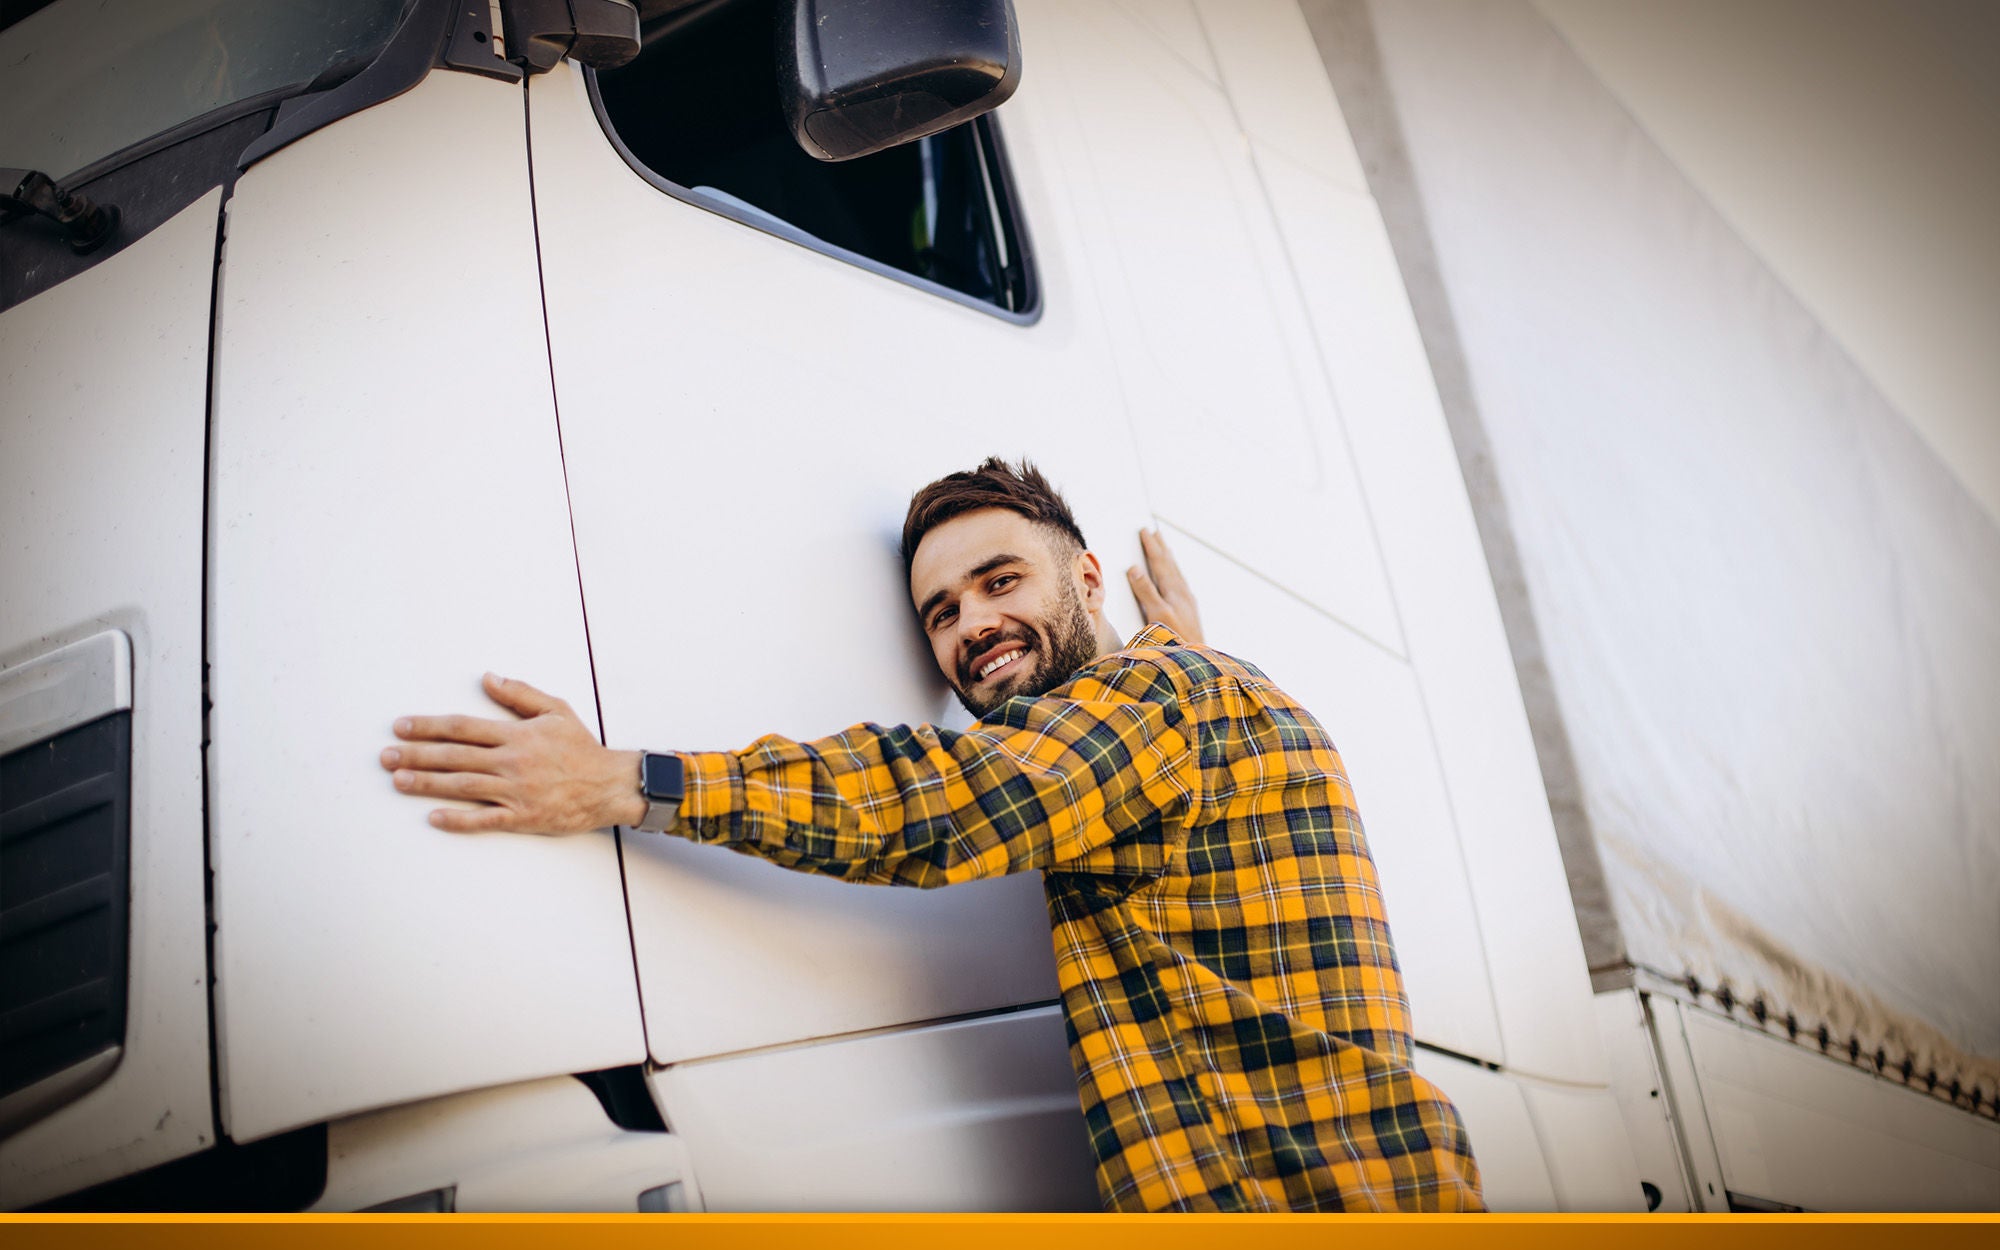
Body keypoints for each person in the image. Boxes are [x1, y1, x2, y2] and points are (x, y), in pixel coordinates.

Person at [379, 458, 1484, 1212]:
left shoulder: (1164, 696)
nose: (971, 627)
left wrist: (621, 780)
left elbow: (939, 798)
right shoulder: (1185, 698)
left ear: (1086, 578)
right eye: (941, 611)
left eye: (999, 582)